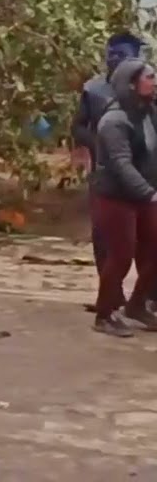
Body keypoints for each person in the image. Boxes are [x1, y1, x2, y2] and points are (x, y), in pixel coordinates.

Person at [89, 57, 157, 337]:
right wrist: (150, 194)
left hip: (145, 195)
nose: (154, 82)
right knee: (121, 255)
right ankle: (104, 314)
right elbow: (121, 164)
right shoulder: (114, 120)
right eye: (149, 77)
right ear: (131, 84)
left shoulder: (148, 112)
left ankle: (137, 305)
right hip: (116, 198)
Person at [71, 32, 145, 278]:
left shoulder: (149, 87)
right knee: (104, 234)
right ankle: (110, 298)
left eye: (121, 54)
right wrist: (97, 143)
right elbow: (78, 126)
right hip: (105, 175)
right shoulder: (94, 89)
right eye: (110, 54)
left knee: (147, 236)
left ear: (136, 58)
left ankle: (146, 300)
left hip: (145, 174)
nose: (113, 59)